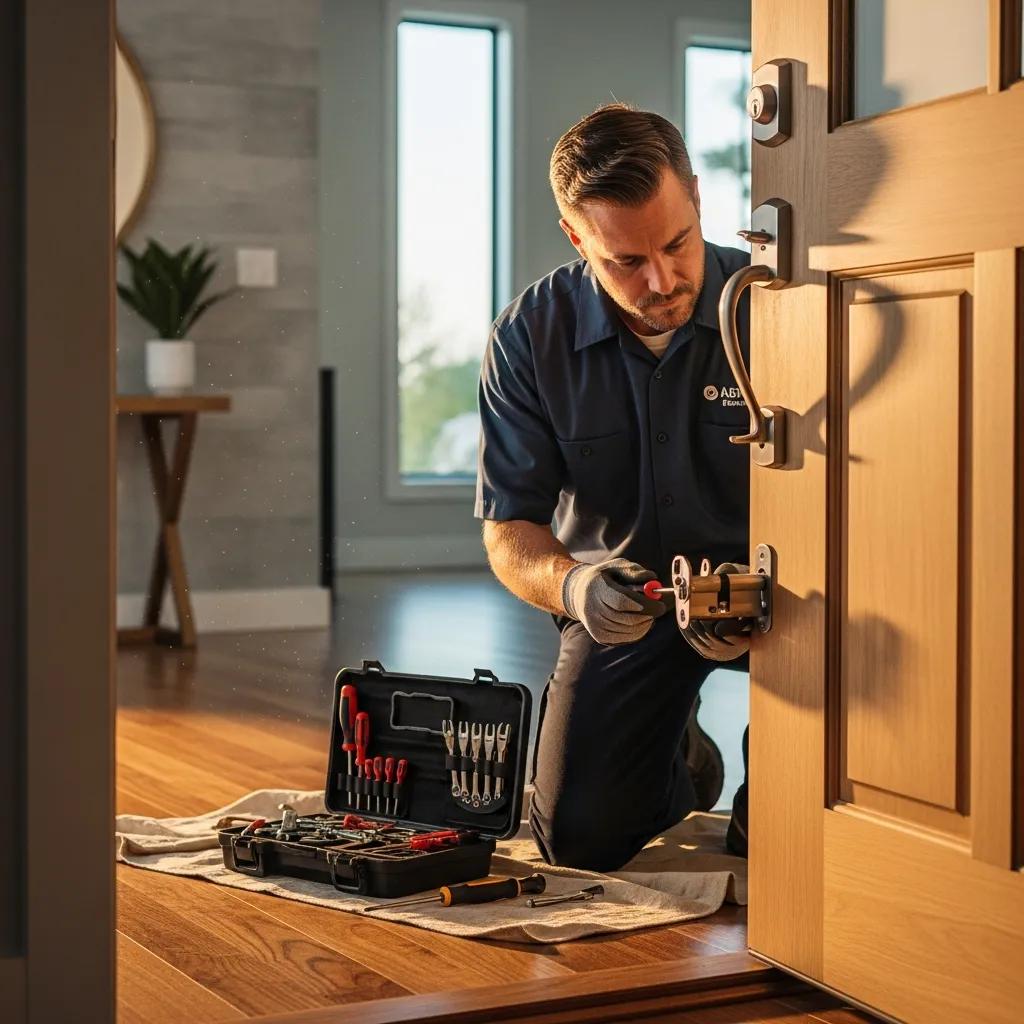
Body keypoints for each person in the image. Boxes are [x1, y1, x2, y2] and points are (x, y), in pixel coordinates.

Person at [475, 104, 751, 872]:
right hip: (627, 609)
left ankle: (778, 768)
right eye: (626, 261)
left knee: (793, 832)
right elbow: (510, 531)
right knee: (580, 840)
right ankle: (684, 762)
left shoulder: (780, 308)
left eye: (677, 244)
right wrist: (574, 588)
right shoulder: (529, 335)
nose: (662, 281)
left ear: (695, 196)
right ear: (575, 237)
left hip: (784, 606)